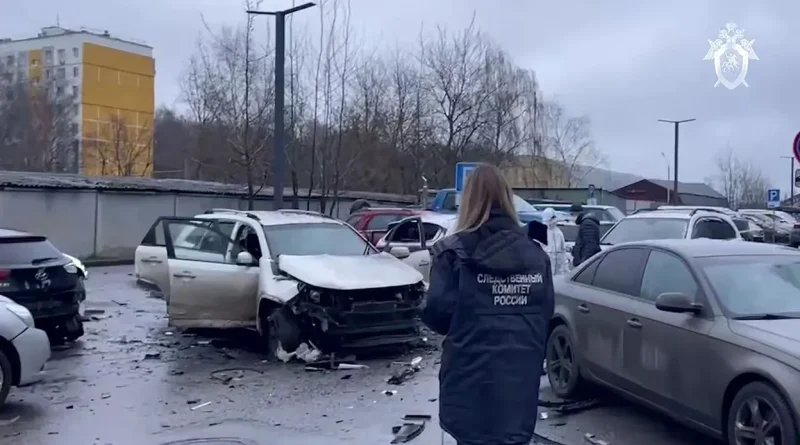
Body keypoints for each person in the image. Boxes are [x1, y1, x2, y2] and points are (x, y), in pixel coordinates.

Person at [420, 163, 555, 445]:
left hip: (470, 382)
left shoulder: (453, 253)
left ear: (468, 200)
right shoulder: (535, 253)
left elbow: (436, 317)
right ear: (507, 198)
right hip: (519, 383)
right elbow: (545, 314)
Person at [541, 208, 569, 276]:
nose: (550, 223)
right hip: (545, 270)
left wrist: (565, 268)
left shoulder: (558, 233)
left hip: (558, 271)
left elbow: (563, 251)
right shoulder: (541, 232)